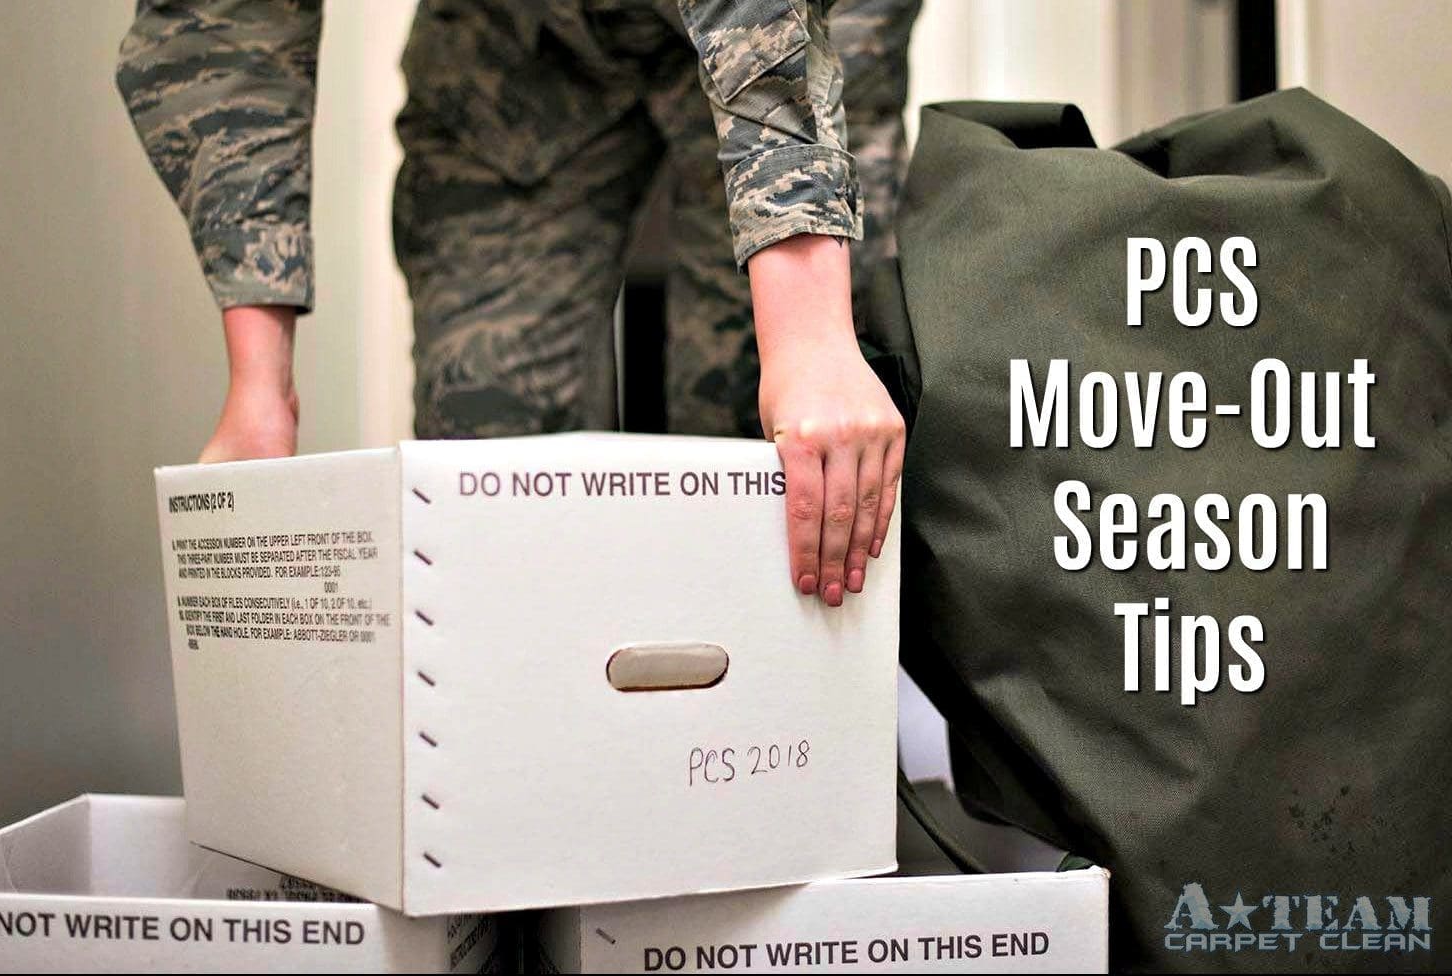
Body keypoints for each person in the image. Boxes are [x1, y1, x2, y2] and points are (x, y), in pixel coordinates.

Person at [116, 0, 919, 607]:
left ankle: (759, 766)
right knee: (491, 473)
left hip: (791, 24)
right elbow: (226, 25)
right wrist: (260, 388)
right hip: (518, 37)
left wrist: (811, 340)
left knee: (786, 465)